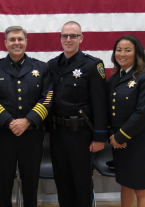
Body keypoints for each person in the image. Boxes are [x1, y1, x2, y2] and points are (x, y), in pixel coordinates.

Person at [0, 26, 53, 207]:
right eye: (12, 39)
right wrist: (10, 121)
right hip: (3, 135)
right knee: (4, 184)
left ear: (26, 42)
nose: (16, 43)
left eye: (20, 39)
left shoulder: (42, 68)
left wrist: (27, 121)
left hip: (32, 135)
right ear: (5, 43)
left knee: (31, 184)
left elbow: (47, 98)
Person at [47, 21, 108, 207]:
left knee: (81, 184)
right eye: (64, 36)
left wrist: (99, 137)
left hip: (81, 135)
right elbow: (49, 101)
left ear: (81, 38)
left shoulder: (92, 65)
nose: (68, 39)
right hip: (58, 135)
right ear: (60, 38)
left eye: (73, 36)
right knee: (62, 182)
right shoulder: (52, 65)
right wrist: (48, 130)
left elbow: (100, 104)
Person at [108, 35, 145, 207]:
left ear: (137, 53)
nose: (122, 54)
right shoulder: (112, 80)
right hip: (119, 142)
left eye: (127, 50)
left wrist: (120, 136)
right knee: (125, 184)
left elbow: (143, 114)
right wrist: (113, 137)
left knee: (141, 189)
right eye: (119, 50)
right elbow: (107, 112)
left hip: (138, 142)